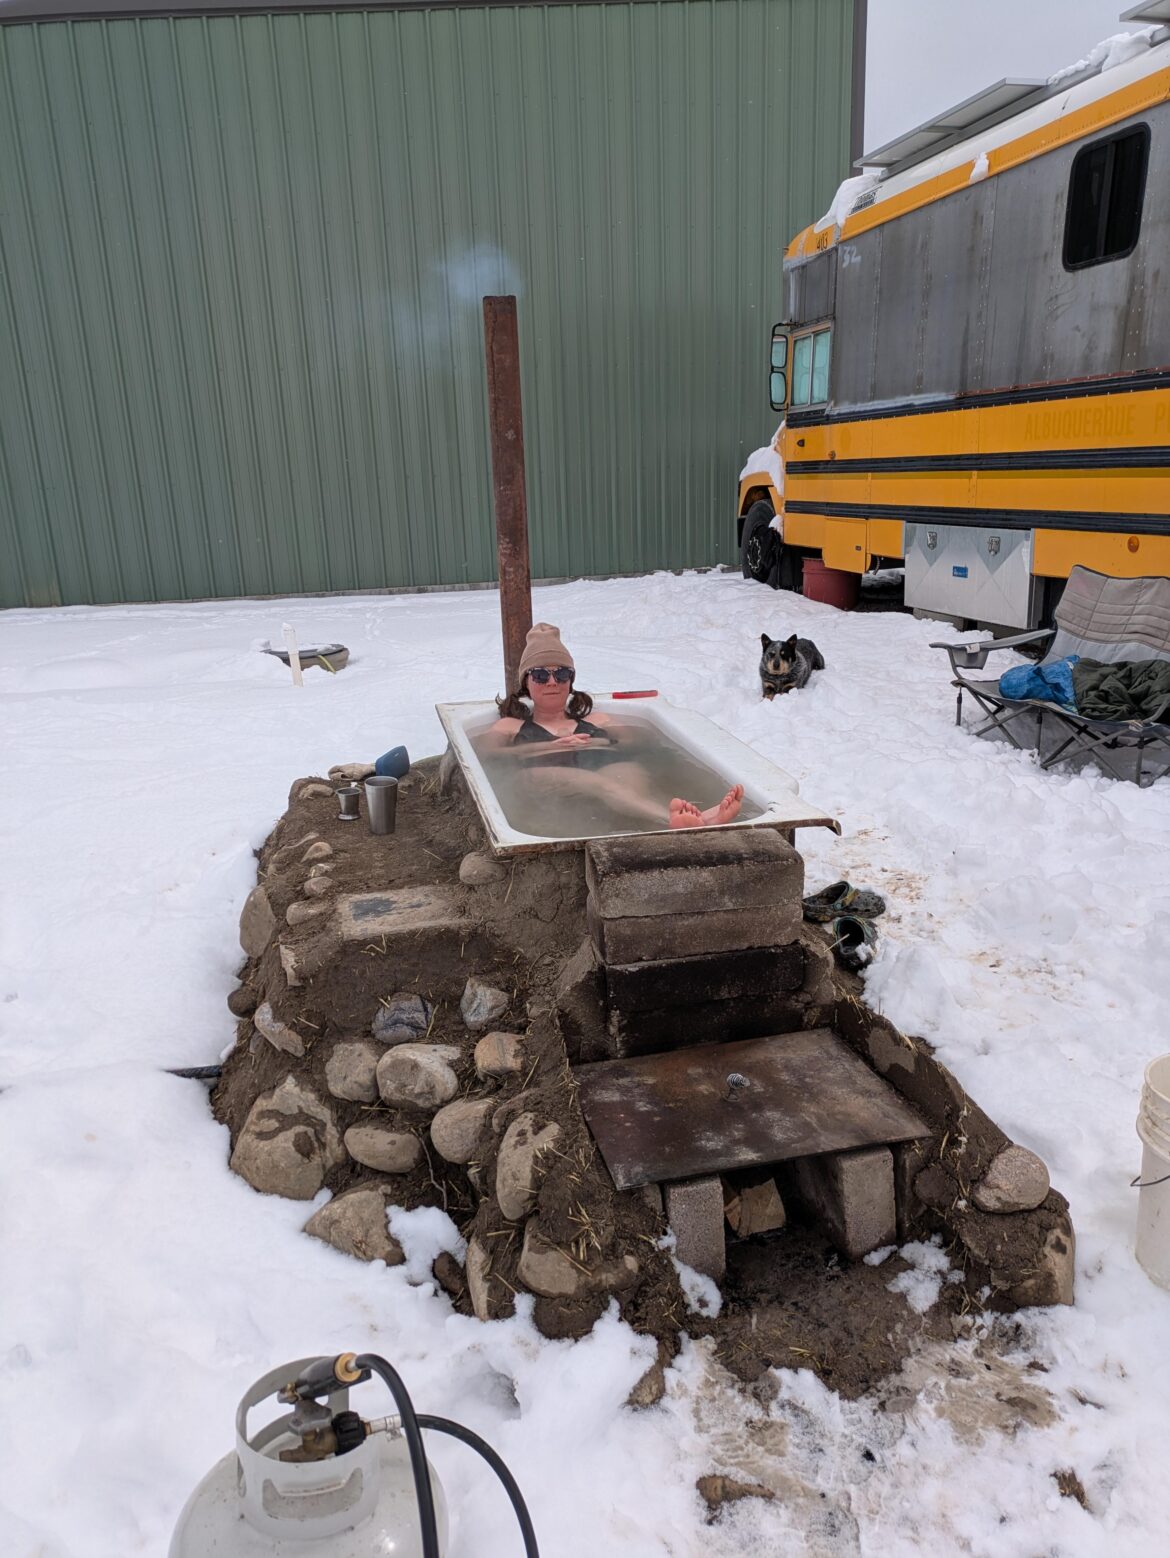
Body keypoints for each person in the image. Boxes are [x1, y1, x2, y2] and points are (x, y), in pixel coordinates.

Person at [478, 622, 743, 830]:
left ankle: (672, 822)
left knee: (630, 781)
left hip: (603, 765)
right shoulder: (510, 726)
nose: (551, 682)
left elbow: (642, 742)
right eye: (540, 674)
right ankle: (685, 821)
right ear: (526, 681)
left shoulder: (598, 721)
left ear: (571, 680)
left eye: (561, 674)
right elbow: (487, 755)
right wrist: (544, 748)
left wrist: (601, 742)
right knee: (602, 784)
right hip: (537, 775)